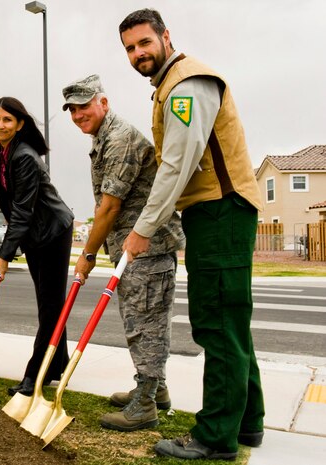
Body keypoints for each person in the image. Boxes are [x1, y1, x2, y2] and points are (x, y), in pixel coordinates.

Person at [119, 9, 265, 460]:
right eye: (129, 48)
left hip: (220, 211)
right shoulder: (171, 84)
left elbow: (177, 164)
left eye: (144, 42)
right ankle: (247, 422)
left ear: (166, 36)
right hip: (215, 213)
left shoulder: (185, 84)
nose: (138, 53)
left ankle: (216, 437)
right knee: (231, 322)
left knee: (217, 323)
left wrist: (143, 228)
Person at [62, 74, 185, 432]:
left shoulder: (118, 139)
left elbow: (109, 207)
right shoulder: (103, 137)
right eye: (71, 109)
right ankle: (155, 389)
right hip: (133, 248)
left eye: (84, 105)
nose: (77, 114)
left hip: (147, 246)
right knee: (143, 321)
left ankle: (145, 404)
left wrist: (86, 254)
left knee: (145, 325)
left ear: (103, 102)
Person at [0, 97, 74, 396]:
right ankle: (56, 363)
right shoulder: (0, 153)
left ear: (20, 124)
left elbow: (22, 210)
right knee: (50, 304)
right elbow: (10, 205)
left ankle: (34, 374)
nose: (0, 124)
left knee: (50, 306)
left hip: (52, 232)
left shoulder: (24, 155)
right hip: (34, 235)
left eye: (7, 120)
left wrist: (5, 254)